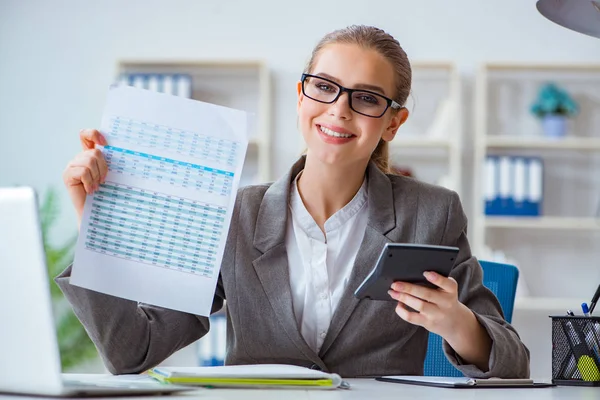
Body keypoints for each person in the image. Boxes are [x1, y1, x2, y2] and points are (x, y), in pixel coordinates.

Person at [58, 25, 530, 378]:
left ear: (392, 123)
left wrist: (458, 323)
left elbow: (514, 363)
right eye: (324, 87)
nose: (339, 109)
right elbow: (132, 351)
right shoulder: (235, 214)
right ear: (301, 96)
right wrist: (95, 223)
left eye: (366, 98)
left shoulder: (432, 213)